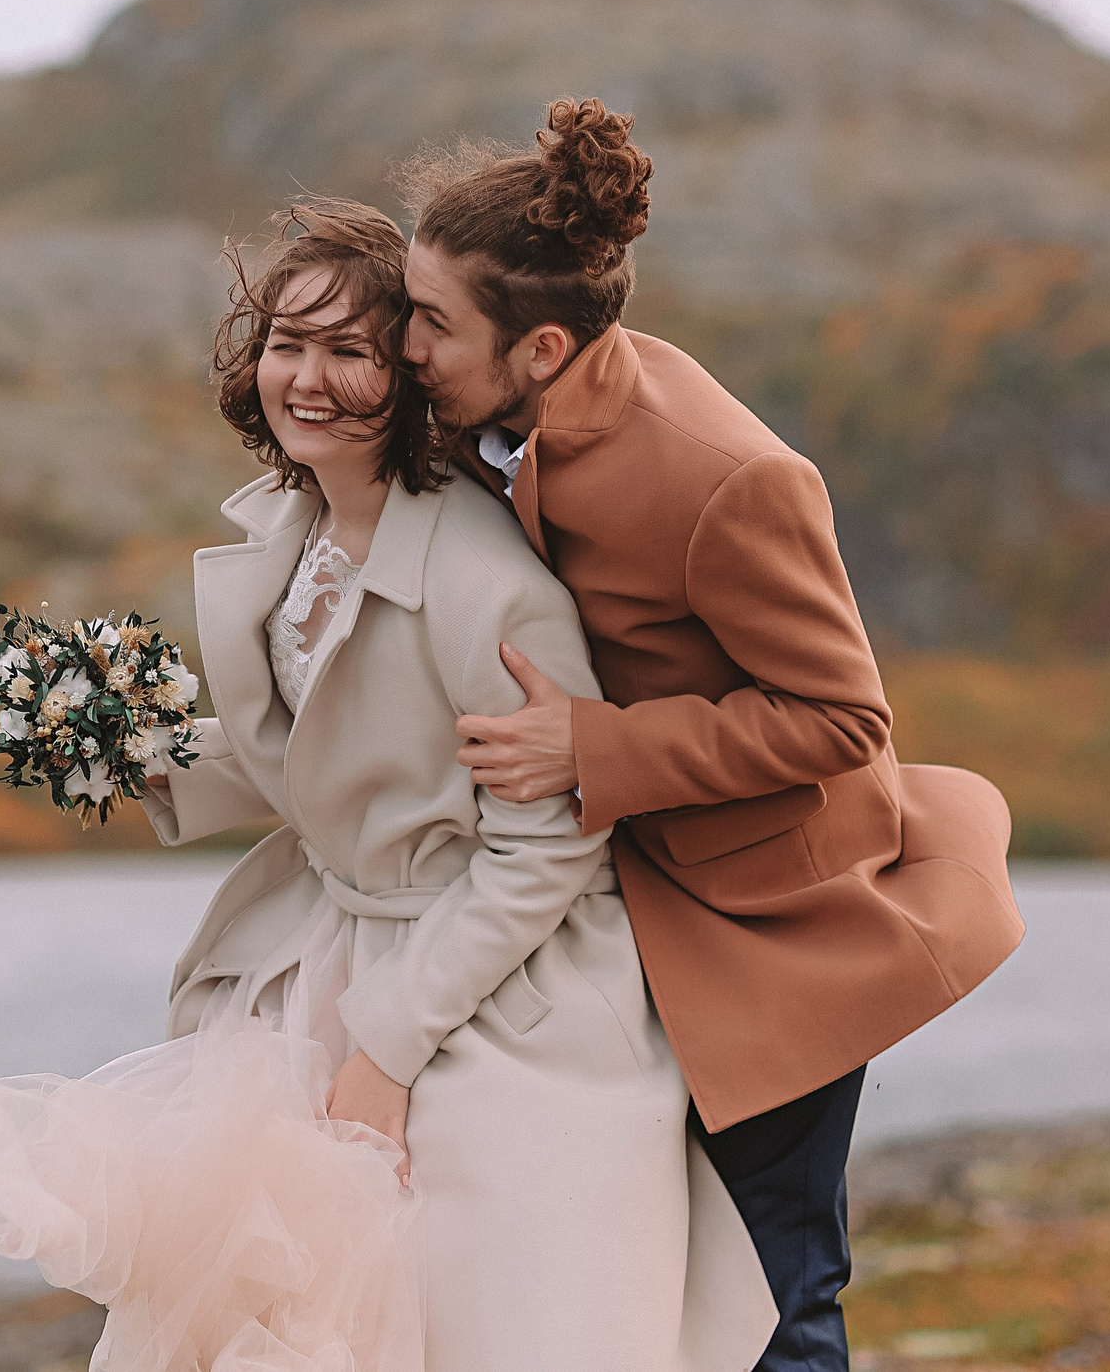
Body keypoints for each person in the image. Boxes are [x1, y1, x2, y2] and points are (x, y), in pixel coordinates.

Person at [0, 199, 778, 1372]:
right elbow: (327, 757)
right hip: (333, 956)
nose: (304, 379)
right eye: (284, 345)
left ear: (409, 370)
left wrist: (386, 1052)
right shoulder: (294, 529)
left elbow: (548, 849)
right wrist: (134, 750)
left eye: (347, 351)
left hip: (491, 985)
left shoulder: (483, 582)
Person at [398, 97, 1027, 1372]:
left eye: (427, 321)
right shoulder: (499, 414)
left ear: (542, 347)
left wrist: (600, 747)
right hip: (617, 914)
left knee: (771, 1292)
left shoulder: (727, 477)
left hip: (771, 933)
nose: (398, 342)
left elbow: (846, 719)